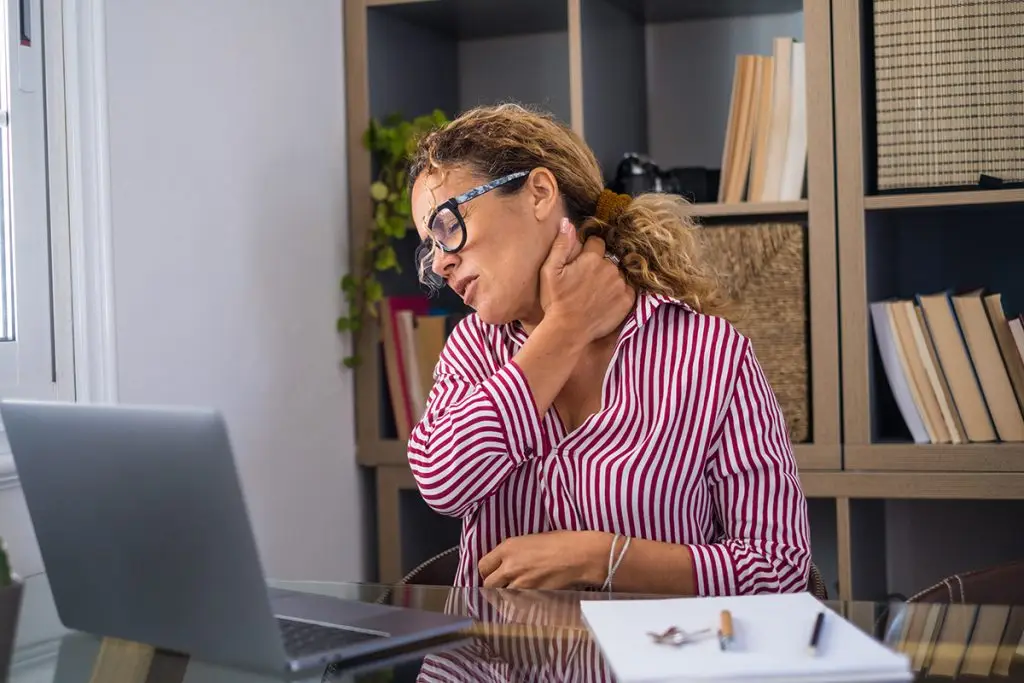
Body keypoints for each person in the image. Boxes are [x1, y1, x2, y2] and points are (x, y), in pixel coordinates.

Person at [404, 103, 811, 596]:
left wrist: (601, 557)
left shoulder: (711, 355)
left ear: (538, 193)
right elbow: (443, 483)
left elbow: (778, 567)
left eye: (448, 225)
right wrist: (566, 328)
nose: (441, 264)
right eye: (430, 246)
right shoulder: (473, 347)